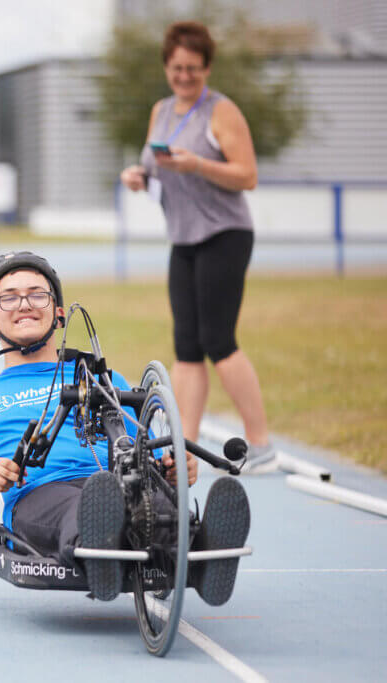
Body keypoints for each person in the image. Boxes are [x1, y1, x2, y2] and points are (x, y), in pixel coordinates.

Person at [0, 251, 250, 605]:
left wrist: (176, 469)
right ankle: (97, 545)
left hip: (124, 481)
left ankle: (201, 548)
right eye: (9, 298)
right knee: (84, 507)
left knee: (154, 502)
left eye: (37, 294)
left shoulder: (106, 380)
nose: (24, 304)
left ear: (58, 313)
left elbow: (155, 455)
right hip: (42, 493)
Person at [119, 21, 274, 471]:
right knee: (186, 345)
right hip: (183, 238)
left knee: (218, 341)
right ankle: (182, 448)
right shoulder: (161, 111)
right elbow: (154, 166)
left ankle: (262, 443)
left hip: (225, 234)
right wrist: (139, 177)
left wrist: (198, 165)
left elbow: (247, 176)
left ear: (207, 68)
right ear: (166, 67)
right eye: (176, 67)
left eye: (193, 68)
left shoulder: (221, 111)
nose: (184, 76)